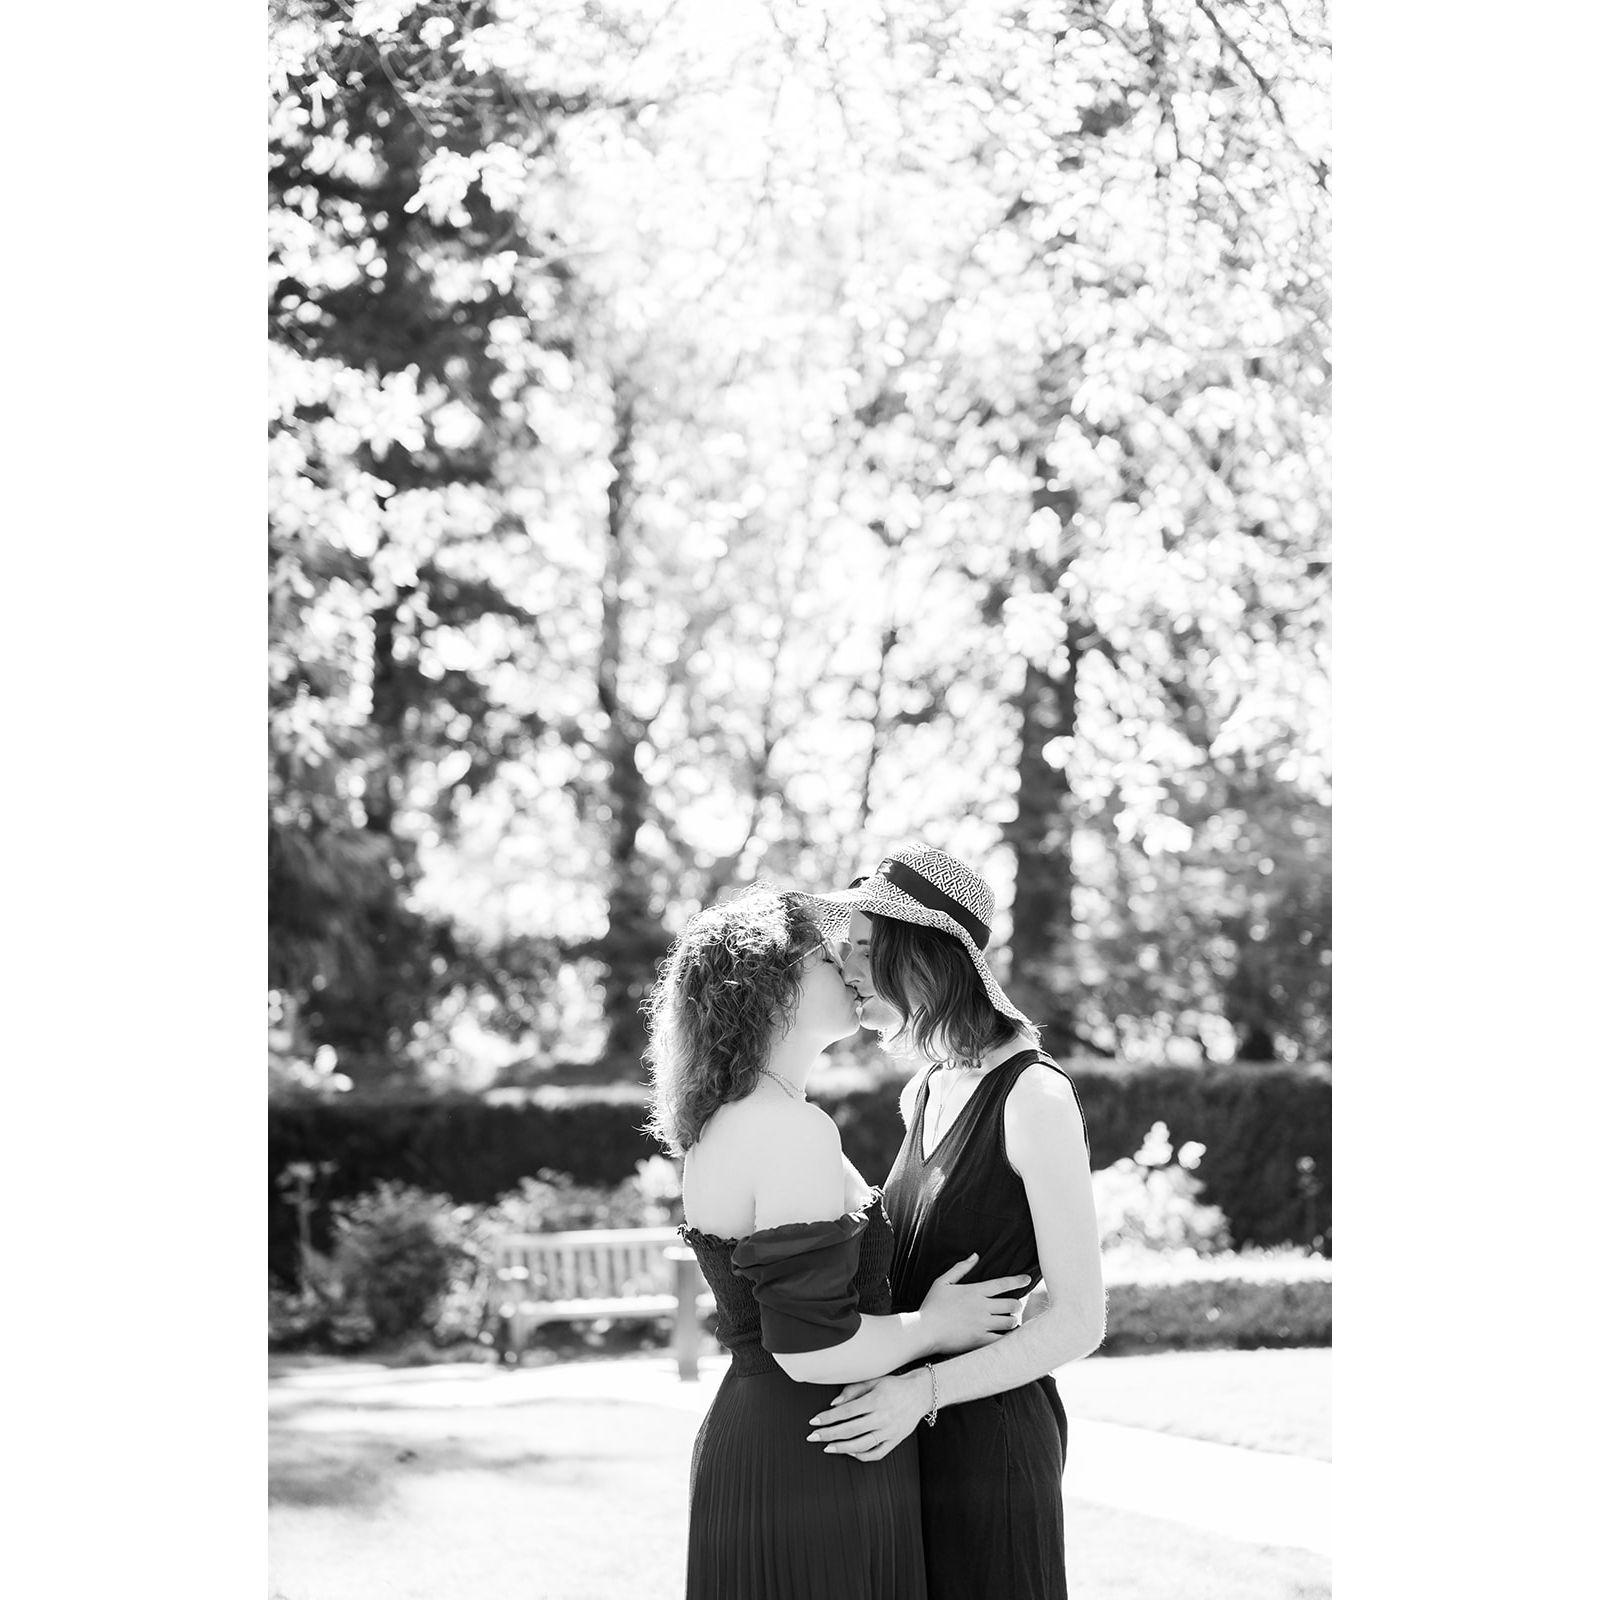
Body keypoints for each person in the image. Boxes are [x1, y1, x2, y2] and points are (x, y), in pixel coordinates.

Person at [644, 885, 1033, 1600]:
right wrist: (934, 1325)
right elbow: (811, 1350)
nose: (855, 971)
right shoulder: (789, 1129)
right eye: (829, 957)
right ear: (773, 987)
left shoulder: (739, 1118)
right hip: (816, 1457)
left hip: (787, 1445)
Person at [797, 844, 1106, 1600]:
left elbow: (1080, 1321)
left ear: (921, 954)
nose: (846, 965)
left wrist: (922, 1391)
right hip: (906, 1441)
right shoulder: (926, 1090)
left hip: (990, 1448)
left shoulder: (1033, 1097)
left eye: (864, 946)